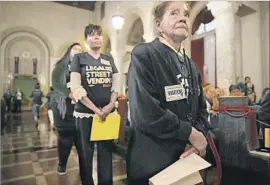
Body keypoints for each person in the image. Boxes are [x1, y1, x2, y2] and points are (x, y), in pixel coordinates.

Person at [126, 2, 209, 184]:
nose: (183, 18)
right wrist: (190, 133)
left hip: (187, 159)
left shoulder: (191, 65)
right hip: (154, 162)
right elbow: (146, 114)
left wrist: (196, 140)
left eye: (186, 14)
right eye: (174, 13)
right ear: (158, 25)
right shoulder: (144, 54)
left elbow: (201, 110)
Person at [70, 24, 120, 185]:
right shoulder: (79, 58)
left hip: (107, 114)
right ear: (86, 40)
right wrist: (95, 110)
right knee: (86, 155)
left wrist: (110, 105)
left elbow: (117, 84)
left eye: (99, 35)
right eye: (92, 35)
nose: (96, 37)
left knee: (106, 153)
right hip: (85, 114)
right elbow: (76, 88)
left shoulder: (109, 59)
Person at [51, 43, 83, 175]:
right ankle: (62, 164)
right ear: (69, 51)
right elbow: (56, 84)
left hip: (80, 107)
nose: (78, 51)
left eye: (80, 50)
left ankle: (84, 167)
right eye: (75, 48)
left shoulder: (84, 68)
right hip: (63, 107)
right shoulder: (60, 67)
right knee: (65, 139)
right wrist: (69, 94)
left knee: (81, 140)